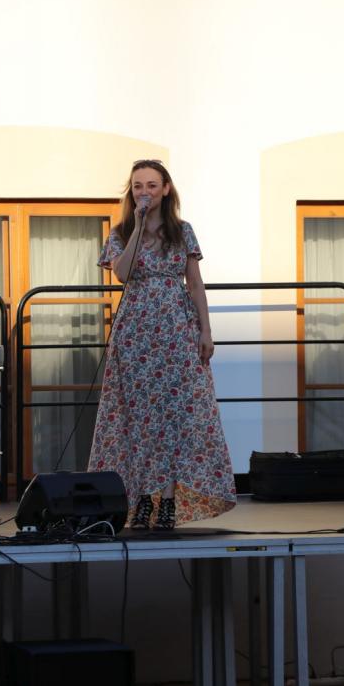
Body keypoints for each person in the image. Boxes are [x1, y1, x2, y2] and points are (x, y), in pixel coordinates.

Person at [88, 159, 236, 529]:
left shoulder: (182, 231)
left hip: (176, 330)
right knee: (138, 417)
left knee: (174, 414)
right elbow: (122, 274)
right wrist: (138, 228)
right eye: (138, 186)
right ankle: (141, 498)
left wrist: (206, 331)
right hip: (136, 333)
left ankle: (167, 500)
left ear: (166, 189)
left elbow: (195, 283)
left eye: (152, 185)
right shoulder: (122, 232)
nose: (145, 192)